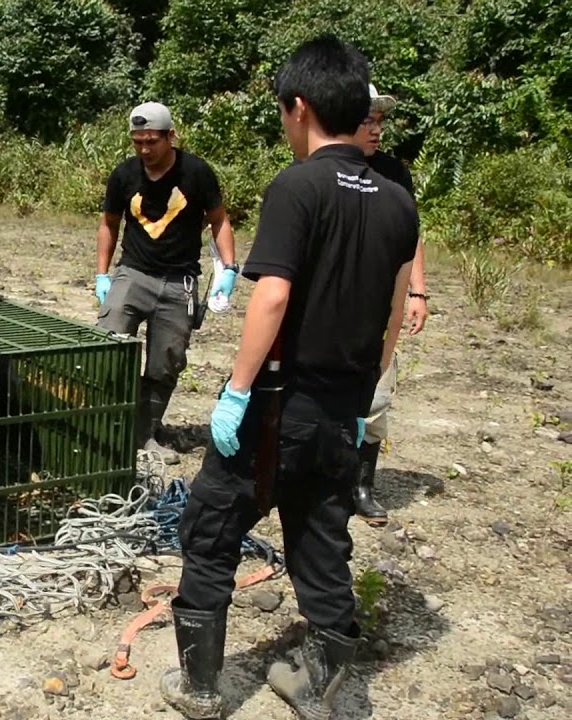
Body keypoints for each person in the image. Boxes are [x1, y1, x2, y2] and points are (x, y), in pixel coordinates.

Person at [158, 35, 418, 720]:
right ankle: (314, 682)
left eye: (281, 112)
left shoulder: (297, 187)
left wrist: (236, 391)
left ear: (298, 107)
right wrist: (366, 395)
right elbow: (395, 312)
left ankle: (201, 688)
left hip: (278, 408)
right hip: (343, 410)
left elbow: (272, 296)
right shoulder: (396, 201)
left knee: (211, 530)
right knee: (321, 537)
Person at [93, 101, 238, 462]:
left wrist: (230, 268)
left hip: (179, 282)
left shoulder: (197, 173)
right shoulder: (125, 175)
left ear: (171, 136)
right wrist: (102, 273)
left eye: (152, 141)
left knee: (166, 362)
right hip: (133, 273)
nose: (144, 149)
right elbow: (109, 223)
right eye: (137, 141)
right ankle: (105, 427)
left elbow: (219, 220)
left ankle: (144, 435)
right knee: (107, 346)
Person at [350, 82, 431, 526]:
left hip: (383, 300)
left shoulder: (394, 174)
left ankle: (362, 484)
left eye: (379, 121)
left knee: (377, 394)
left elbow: (410, 235)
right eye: (367, 121)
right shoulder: (316, 165)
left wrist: (417, 291)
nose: (376, 129)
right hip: (334, 300)